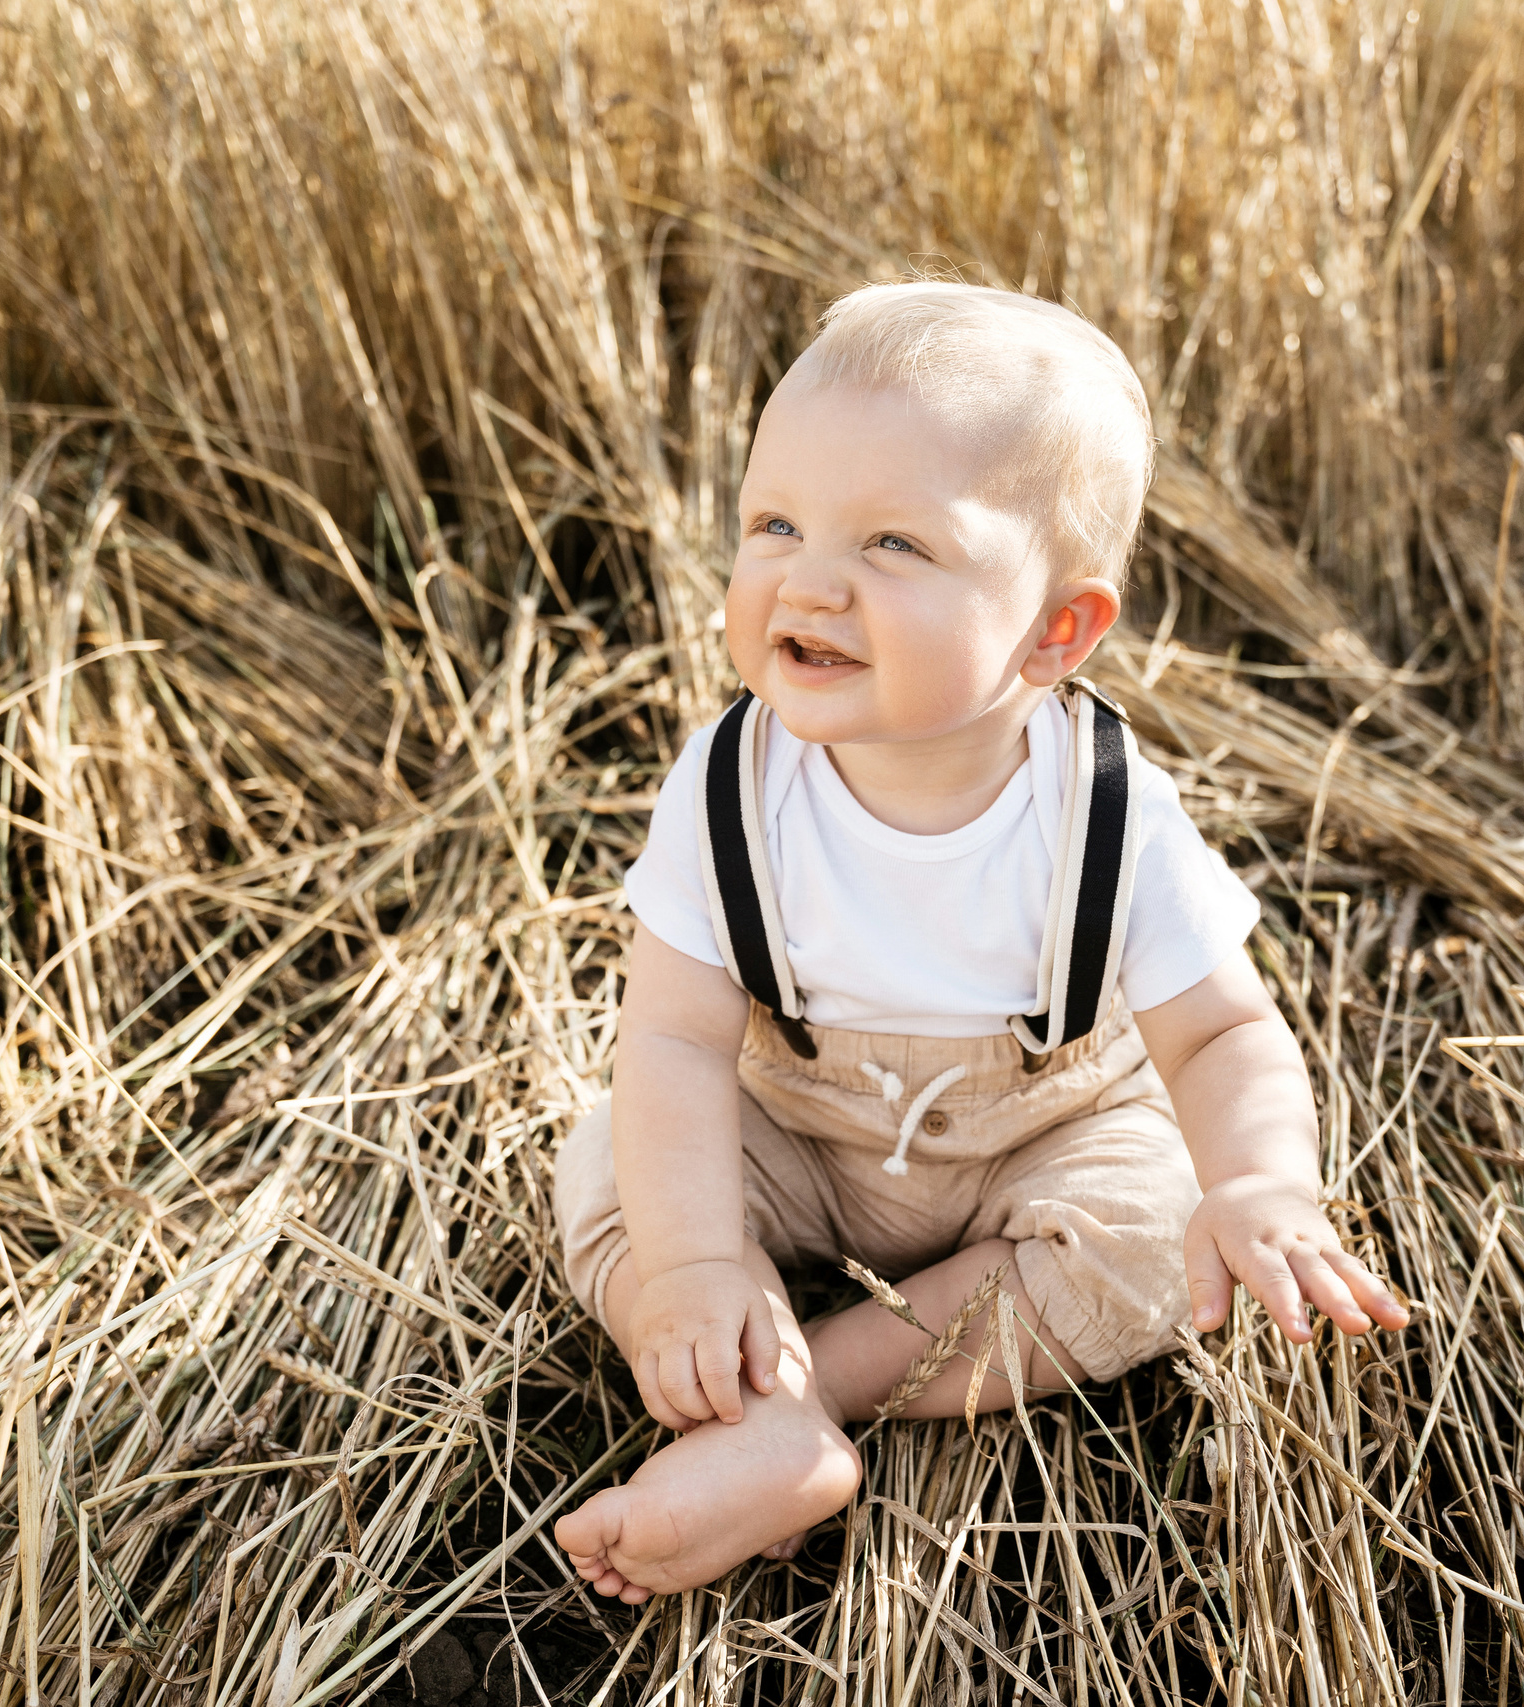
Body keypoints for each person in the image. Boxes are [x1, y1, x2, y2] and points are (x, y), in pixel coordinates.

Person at [550, 281, 1408, 1603]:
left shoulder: (1107, 812)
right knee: (617, 1165)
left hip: (1034, 1143)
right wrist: (695, 1264)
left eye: (894, 544)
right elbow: (672, 1040)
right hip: (807, 1135)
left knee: (1154, 1234)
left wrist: (1259, 1182)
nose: (809, 579)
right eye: (773, 523)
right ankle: (741, 1352)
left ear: (1055, 630)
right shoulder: (728, 788)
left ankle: (800, 1397)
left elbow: (1223, 1029)